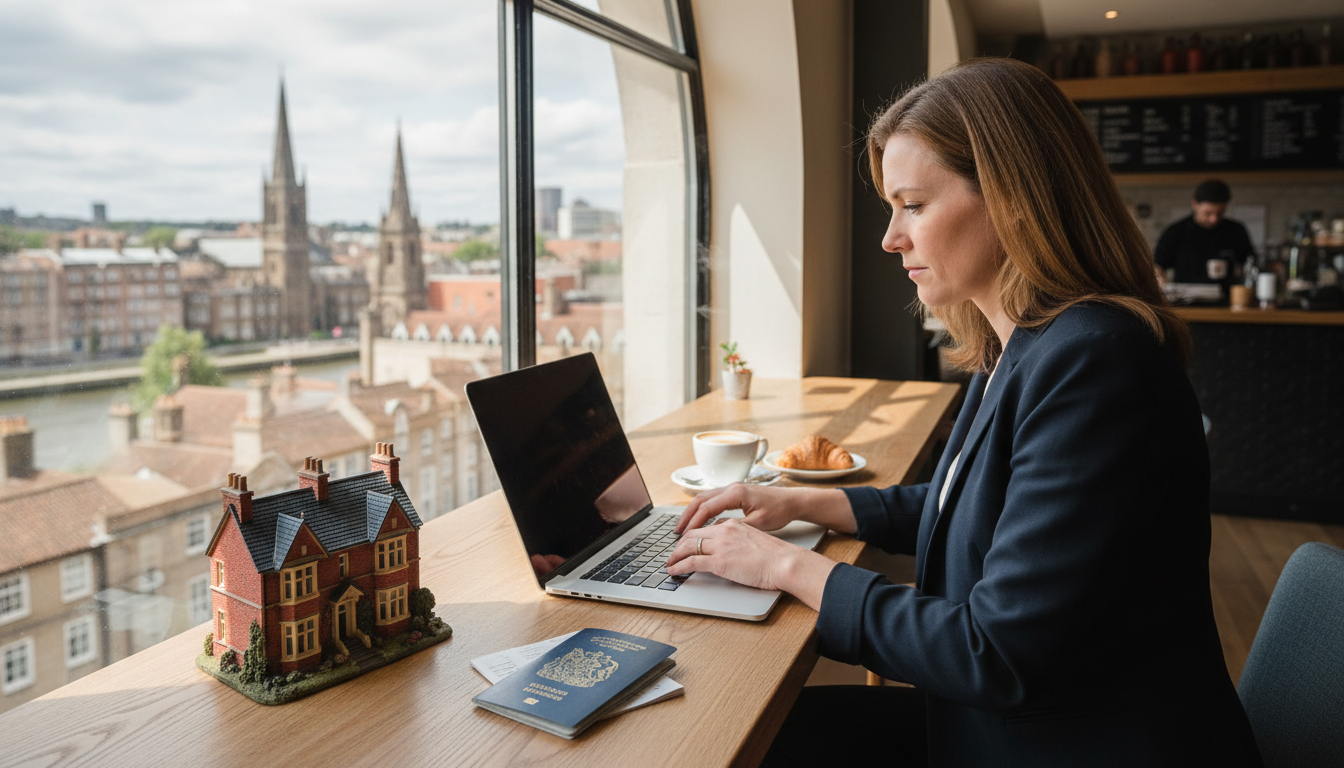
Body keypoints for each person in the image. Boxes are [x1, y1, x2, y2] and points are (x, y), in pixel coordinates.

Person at [665, 58, 1261, 767]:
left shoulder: (1096, 363)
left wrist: (784, 570)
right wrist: (797, 505)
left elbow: (995, 653)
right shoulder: (1017, 344)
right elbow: (972, 505)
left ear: (1013, 198)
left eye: (913, 205)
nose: (891, 237)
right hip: (1015, 722)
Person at [1153, 179, 1257, 285]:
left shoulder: (1236, 230)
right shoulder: (1175, 232)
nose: (1214, 219)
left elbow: (1250, 263)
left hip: (1227, 298)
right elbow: (1157, 266)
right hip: (1185, 298)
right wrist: (1162, 285)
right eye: (1208, 213)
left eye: (1219, 213)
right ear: (1195, 205)